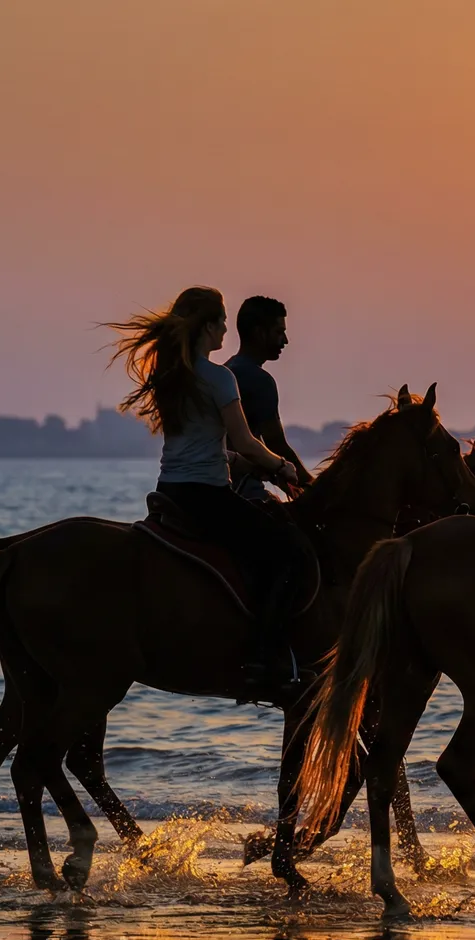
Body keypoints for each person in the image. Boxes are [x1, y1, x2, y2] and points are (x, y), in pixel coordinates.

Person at [109, 286, 305, 694]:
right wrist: (284, 467)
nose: (224, 330)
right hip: (207, 496)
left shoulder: (169, 375)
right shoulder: (219, 377)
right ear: (207, 326)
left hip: (171, 490)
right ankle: (264, 660)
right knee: (289, 553)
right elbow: (246, 440)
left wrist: (235, 462)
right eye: (220, 321)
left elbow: (203, 444)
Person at [222, 295, 311, 502]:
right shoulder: (259, 381)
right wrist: (312, 485)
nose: (286, 341)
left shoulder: (228, 370)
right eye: (279, 332)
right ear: (259, 333)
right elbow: (276, 444)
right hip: (242, 489)